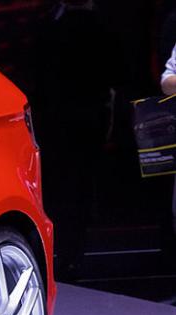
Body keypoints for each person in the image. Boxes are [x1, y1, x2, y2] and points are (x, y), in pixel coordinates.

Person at [35, 0, 119, 281]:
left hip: (57, 121)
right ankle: (74, 255)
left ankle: (60, 254)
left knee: (60, 188)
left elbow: (39, 80)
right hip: (89, 119)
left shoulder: (51, 30)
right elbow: (114, 77)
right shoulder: (102, 28)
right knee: (81, 186)